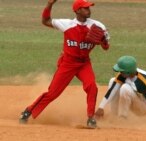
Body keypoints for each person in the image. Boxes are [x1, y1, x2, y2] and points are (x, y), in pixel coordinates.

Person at [19, 0, 110, 128]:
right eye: (85, 8)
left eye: (89, 8)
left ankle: (91, 118)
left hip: (84, 63)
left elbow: (106, 47)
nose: (89, 10)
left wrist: (103, 41)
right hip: (68, 63)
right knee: (53, 93)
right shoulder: (67, 24)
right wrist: (50, 4)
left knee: (92, 87)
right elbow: (45, 21)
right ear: (77, 10)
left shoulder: (97, 26)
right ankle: (28, 111)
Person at [95, 56, 146, 121]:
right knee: (112, 81)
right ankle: (114, 116)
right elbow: (112, 90)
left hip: (144, 107)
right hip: (134, 100)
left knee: (125, 88)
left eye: (122, 71)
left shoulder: (145, 81)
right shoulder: (124, 74)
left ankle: (122, 118)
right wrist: (101, 107)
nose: (120, 72)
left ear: (128, 72)